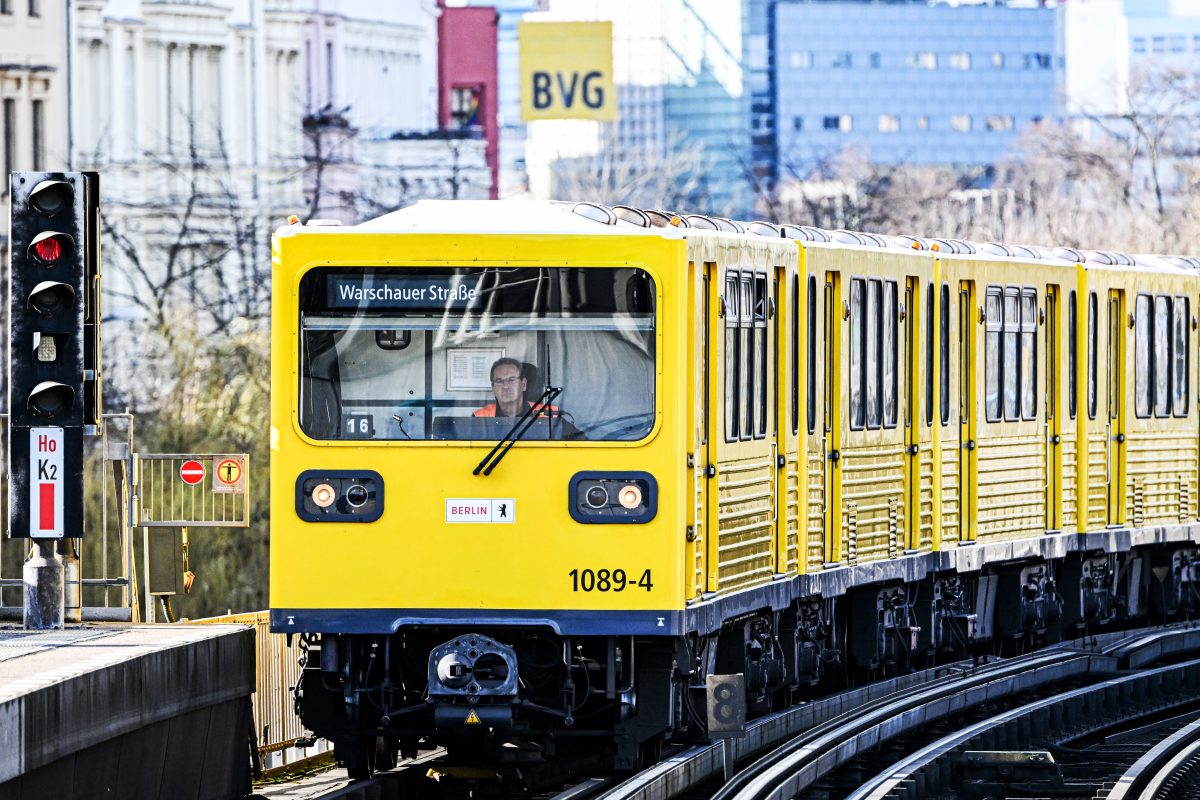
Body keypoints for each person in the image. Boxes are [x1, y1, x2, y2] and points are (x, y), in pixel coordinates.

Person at [474, 357, 553, 417]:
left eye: (511, 380)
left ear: (524, 384)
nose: (505, 386)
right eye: (499, 381)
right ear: (493, 388)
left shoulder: (549, 414)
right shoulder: (480, 416)